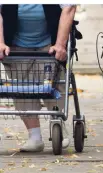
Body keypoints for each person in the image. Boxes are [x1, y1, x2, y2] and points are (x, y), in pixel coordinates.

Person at [0, 4, 76, 152]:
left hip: (49, 42)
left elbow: (69, 8)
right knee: (22, 89)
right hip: (16, 44)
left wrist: (60, 45)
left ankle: (58, 123)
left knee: (53, 84)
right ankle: (34, 137)